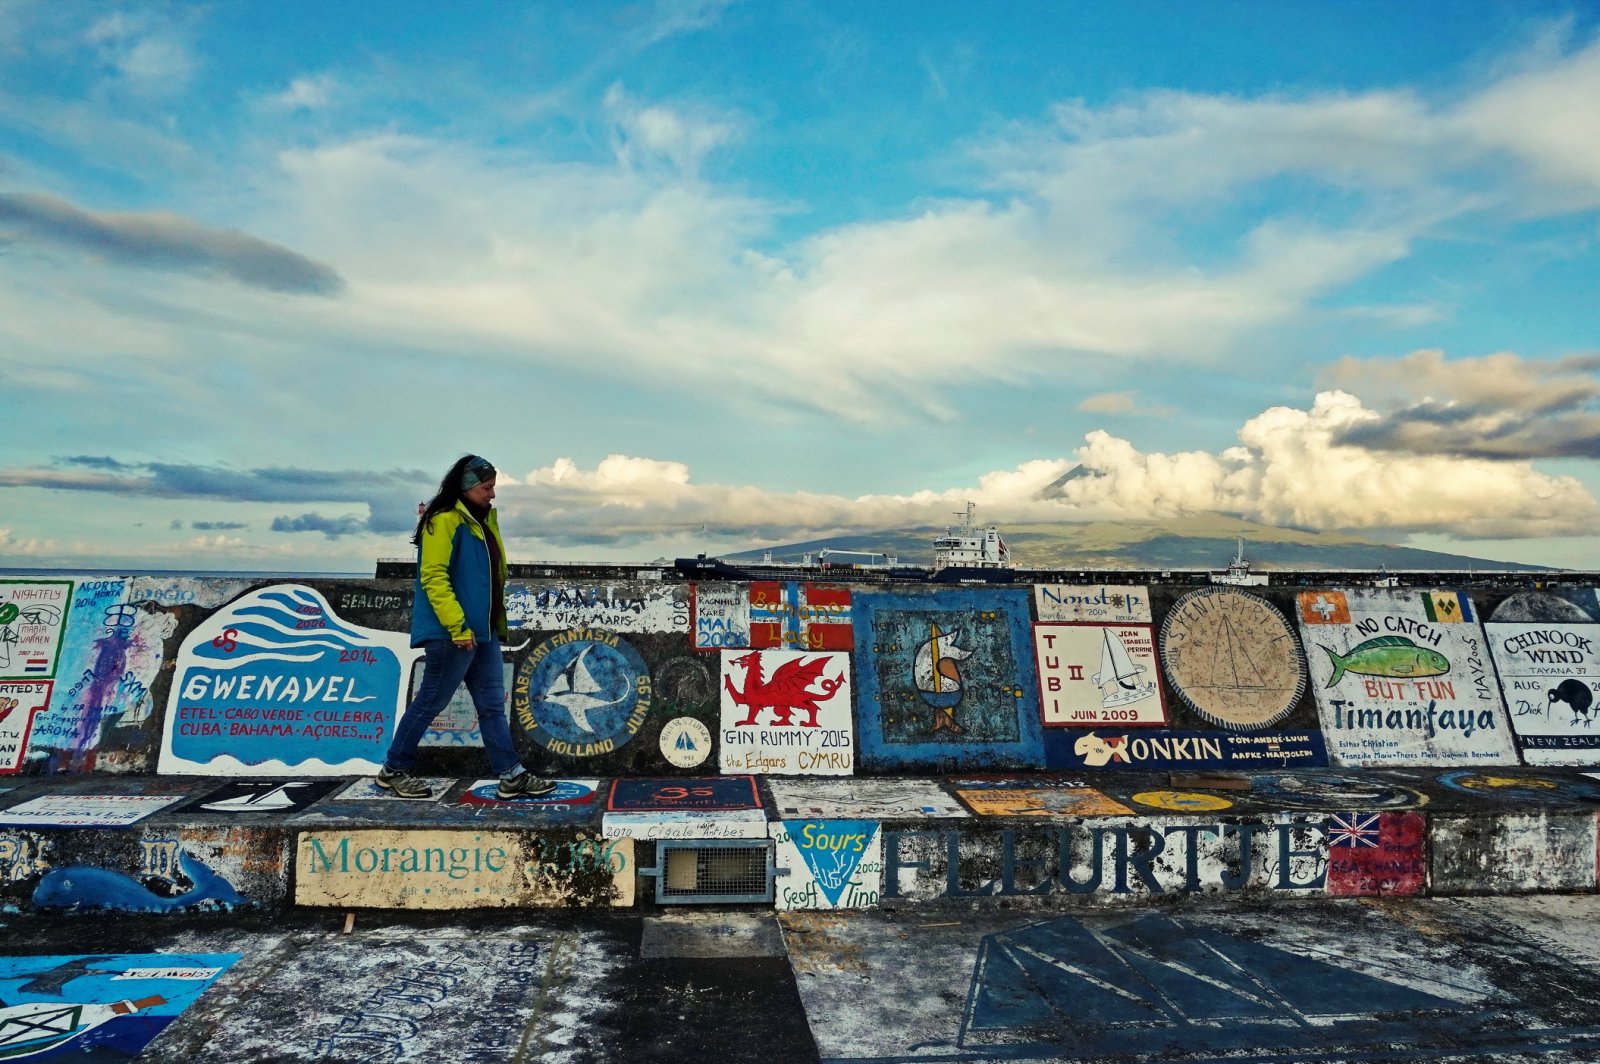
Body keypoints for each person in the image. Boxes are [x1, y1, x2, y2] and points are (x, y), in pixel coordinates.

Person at [376, 454, 556, 800]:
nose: (493, 495)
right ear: (468, 487)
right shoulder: (444, 520)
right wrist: (457, 626)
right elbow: (433, 576)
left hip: (481, 632)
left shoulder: (482, 520)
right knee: (431, 700)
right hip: (453, 634)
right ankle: (393, 769)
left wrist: (480, 626)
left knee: (491, 705)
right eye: (487, 488)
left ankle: (511, 774)